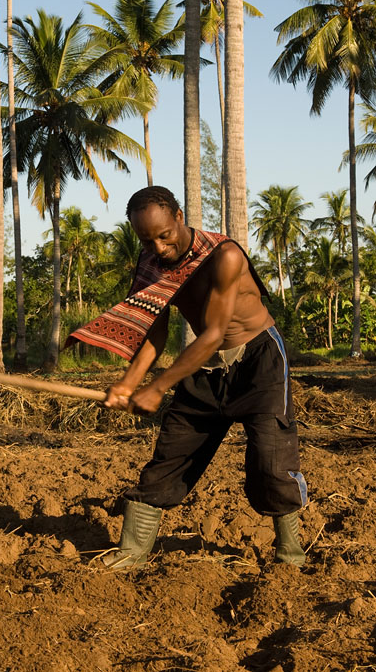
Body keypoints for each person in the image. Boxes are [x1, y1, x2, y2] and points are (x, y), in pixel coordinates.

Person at [67, 186, 307, 570]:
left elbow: (213, 332)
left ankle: (290, 553)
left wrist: (158, 387)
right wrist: (130, 382)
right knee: (169, 456)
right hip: (205, 367)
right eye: (148, 240)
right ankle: (132, 552)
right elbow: (155, 332)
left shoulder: (223, 256)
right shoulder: (150, 265)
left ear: (179, 216)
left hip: (257, 360)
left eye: (165, 235)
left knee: (270, 458)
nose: (160, 248)